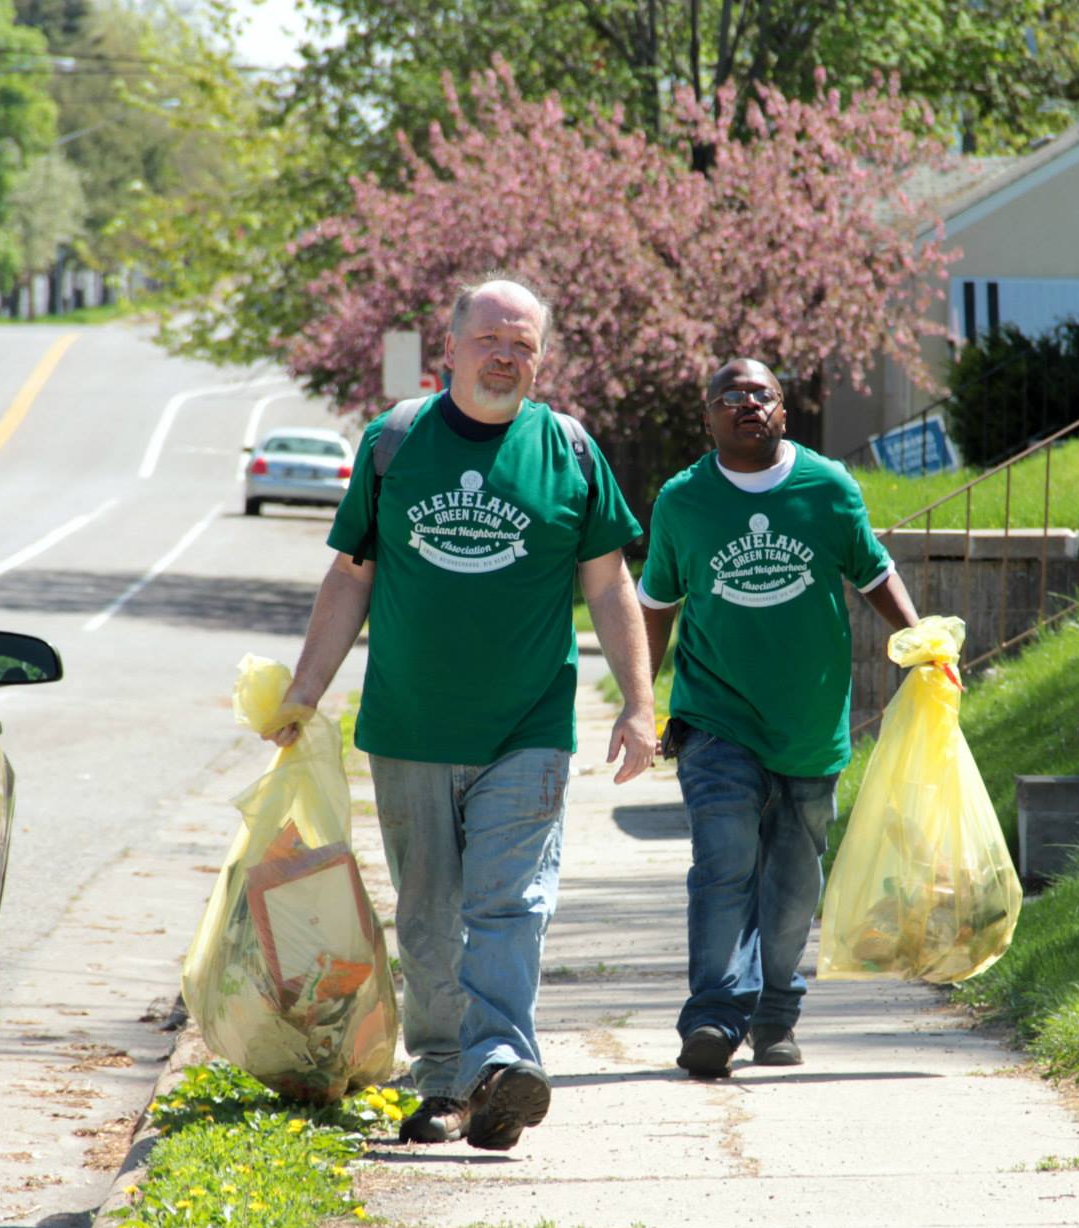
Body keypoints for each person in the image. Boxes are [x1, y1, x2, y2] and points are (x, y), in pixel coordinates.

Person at [270, 277, 657, 1149]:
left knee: (511, 904)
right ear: (450, 347)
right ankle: (445, 1082)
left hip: (527, 728)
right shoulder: (395, 442)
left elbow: (608, 582)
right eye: (490, 339)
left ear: (542, 358)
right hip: (409, 727)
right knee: (429, 914)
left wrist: (640, 704)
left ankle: (501, 1065)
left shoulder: (570, 452)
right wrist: (305, 691)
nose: (505, 356)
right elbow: (350, 577)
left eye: (523, 344)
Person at [638, 358, 918, 1078]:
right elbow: (658, 606)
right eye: (728, 397)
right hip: (714, 717)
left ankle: (775, 1014)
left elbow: (873, 571)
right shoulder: (682, 501)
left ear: (785, 412)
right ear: (707, 417)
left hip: (808, 725)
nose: (746, 405)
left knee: (793, 883)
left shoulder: (827, 488)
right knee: (724, 862)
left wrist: (917, 647)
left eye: (760, 394)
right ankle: (711, 1015)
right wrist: (642, 705)